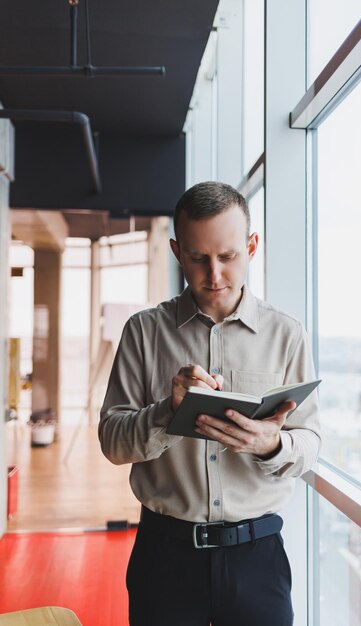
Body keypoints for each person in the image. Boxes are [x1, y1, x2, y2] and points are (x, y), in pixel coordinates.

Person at [99, 181, 321, 626]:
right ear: (178, 252)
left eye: (228, 256)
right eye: (198, 258)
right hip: (165, 558)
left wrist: (271, 446)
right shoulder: (143, 332)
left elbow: (311, 442)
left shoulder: (287, 334)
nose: (214, 275)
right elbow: (112, 442)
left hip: (259, 558)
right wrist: (165, 412)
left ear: (252, 246)